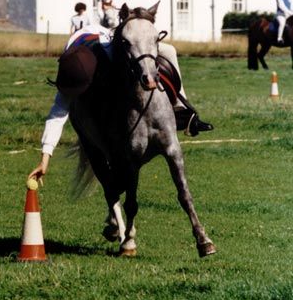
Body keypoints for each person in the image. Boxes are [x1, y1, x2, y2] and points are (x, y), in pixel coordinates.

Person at [28, 19, 213, 183]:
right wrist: (44, 160)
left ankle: (181, 109)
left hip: (113, 43)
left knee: (169, 50)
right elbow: (56, 116)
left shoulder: (109, 53)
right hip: (86, 56)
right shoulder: (70, 69)